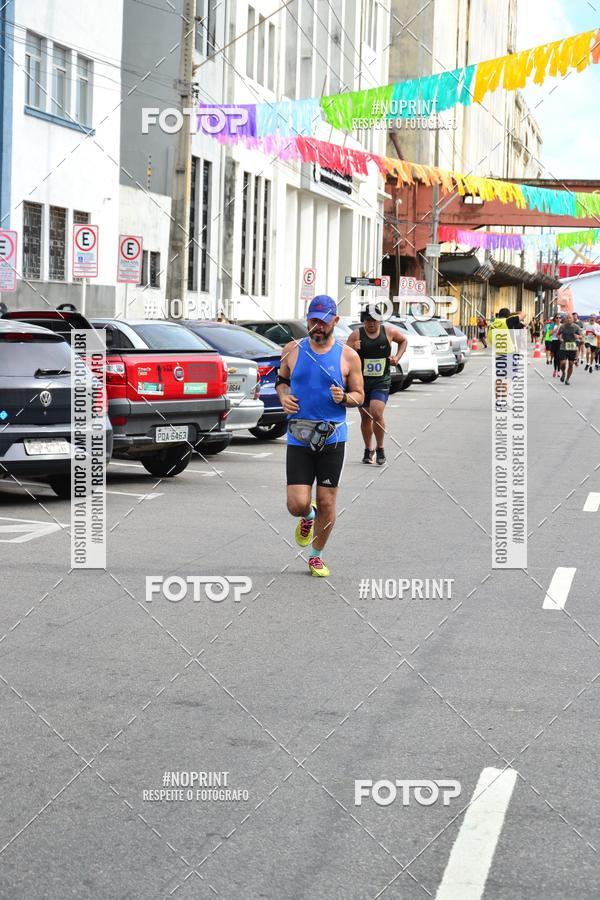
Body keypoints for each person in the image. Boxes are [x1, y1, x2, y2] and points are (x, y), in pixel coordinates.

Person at [276, 295, 364, 577]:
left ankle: (316, 556)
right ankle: (308, 517)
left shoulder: (348, 356)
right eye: (312, 320)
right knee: (297, 504)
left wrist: (345, 398)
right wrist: (283, 397)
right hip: (299, 436)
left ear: (334, 322)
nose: (316, 326)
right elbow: (282, 380)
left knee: (327, 501)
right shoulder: (292, 350)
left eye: (322, 322)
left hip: (332, 438)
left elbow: (360, 396)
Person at [345, 304, 408, 466]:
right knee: (365, 417)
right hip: (362, 383)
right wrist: (353, 348)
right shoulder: (356, 335)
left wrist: (397, 358)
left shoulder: (389, 332)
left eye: (374, 320)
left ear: (380, 320)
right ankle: (368, 449)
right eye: (368, 321)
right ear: (363, 321)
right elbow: (344, 355)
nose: (371, 324)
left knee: (376, 412)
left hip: (382, 381)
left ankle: (380, 447)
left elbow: (403, 340)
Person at [556, 313, 583, 385]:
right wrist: (560, 339)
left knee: (571, 364)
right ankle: (563, 373)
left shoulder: (576, 327)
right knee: (563, 363)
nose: (569, 319)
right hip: (564, 346)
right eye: (567, 318)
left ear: (573, 319)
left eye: (570, 318)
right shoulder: (562, 327)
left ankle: (567, 379)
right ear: (565, 319)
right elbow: (558, 334)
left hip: (572, 347)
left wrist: (578, 336)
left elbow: (582, 336)